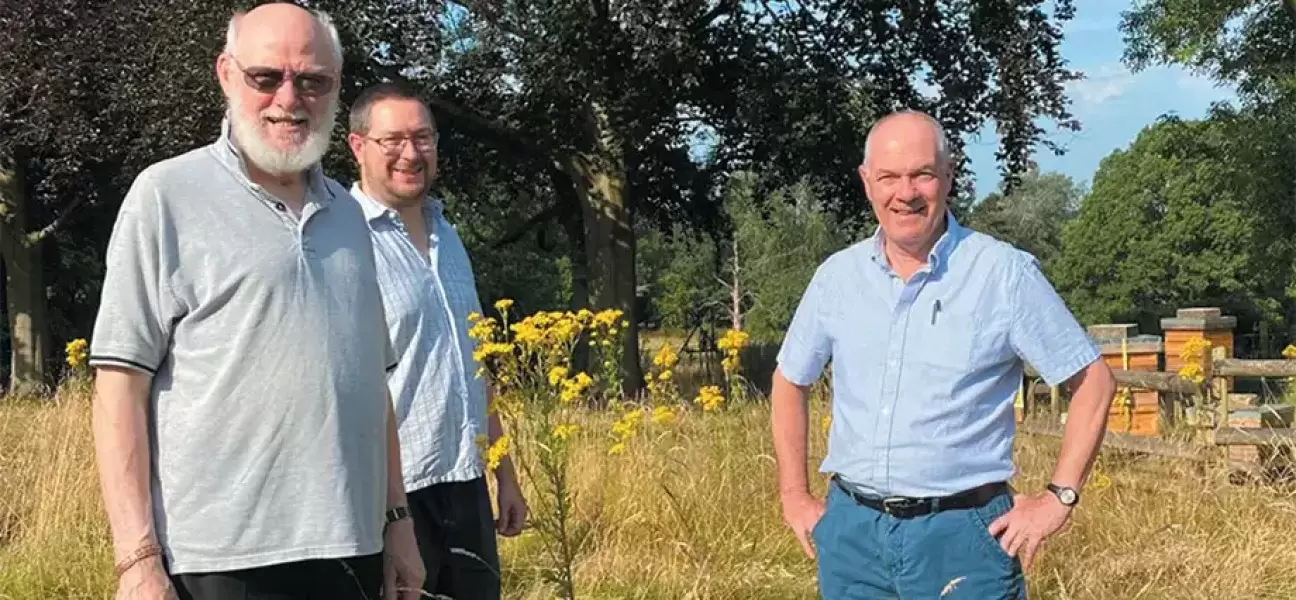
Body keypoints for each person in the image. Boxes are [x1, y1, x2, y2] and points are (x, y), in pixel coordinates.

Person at [88, 5, 424, 600]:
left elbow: (374, 386)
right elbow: (120, 384)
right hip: (217, 560)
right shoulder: (166, 195)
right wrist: (136, 558)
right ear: (226, 74)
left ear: (335, 88)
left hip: (350, 549)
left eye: (312, 81)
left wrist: (398, 526)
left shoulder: (349, 216)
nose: (288, 99)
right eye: (266, 77)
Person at [770, 110, 1116, 599]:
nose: (905, 192)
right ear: (867, 183)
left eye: (922, 174)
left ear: (948, 177)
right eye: (888, 177)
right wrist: (793, 494)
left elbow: (1094, 382)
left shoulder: (1002, 274)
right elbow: (789, 381)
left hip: (963, 535)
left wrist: (1059, 497)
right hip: (852, 534)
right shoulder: (836, 278)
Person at [344, 81, 527, 600]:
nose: (411, 153)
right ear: (358, 146)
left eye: (423, 138)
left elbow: (473, 365)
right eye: (393, 140)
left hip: (465, 484)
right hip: (392, 498)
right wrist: (391, 513)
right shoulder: (343, 239)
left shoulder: (448, 235)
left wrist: (504, 472)